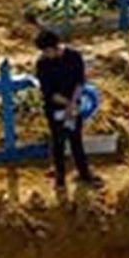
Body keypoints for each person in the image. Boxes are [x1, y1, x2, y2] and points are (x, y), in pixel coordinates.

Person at [34, 28, 100, 190]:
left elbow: (79, 82)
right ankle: (60, 178)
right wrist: (68, 104)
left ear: (54, 48)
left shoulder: (74, 57)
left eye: (47, 51)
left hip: (74, 105)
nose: (45, 54)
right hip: (55, 108)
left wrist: (73, 103)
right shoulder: (42, 64)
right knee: (58, 143)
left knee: (76, 140)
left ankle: (84, 174)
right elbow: (48, 92)